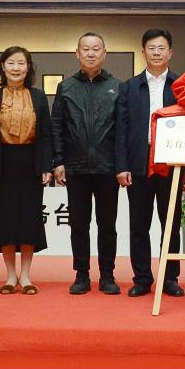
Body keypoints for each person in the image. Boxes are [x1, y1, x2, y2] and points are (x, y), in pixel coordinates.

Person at [115, 29, 185, 298]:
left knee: (171, 223)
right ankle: (142, 278)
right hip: (138, 161)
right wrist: (122, 165)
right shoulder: (129, 87)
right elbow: (121, 130)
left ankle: (170, 278)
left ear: (170, 52)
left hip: (171, 162)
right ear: (143, 52)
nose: (156, 53)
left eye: (161, 48)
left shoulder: (181, 86)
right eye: (151, 48)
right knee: (139, 225)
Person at [0, 46, 53, 295]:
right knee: (6, 219)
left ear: (28, 67)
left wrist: (46, 166)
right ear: (2, 67)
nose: (16, 68)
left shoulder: (39, 96)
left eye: (21, 63)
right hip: (2, 164)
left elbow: (46, 135)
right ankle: (11, 276)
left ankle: (27, 275)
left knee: (30, 219)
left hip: (31, 164)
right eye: (11, 63)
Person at [52, 33, 122, 295]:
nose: (91, 53)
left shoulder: (116, 86)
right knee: (78, 225)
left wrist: (121, 165)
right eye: (86, 49)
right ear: (77, 53)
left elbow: (122, 130)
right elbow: (56, 126)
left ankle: (107, 275)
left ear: (104, 53)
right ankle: (81, 274)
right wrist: (58, 161)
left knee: (107, 226)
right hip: (75, 167)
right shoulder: (66, 87)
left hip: (108, 168)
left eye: (96, 49)